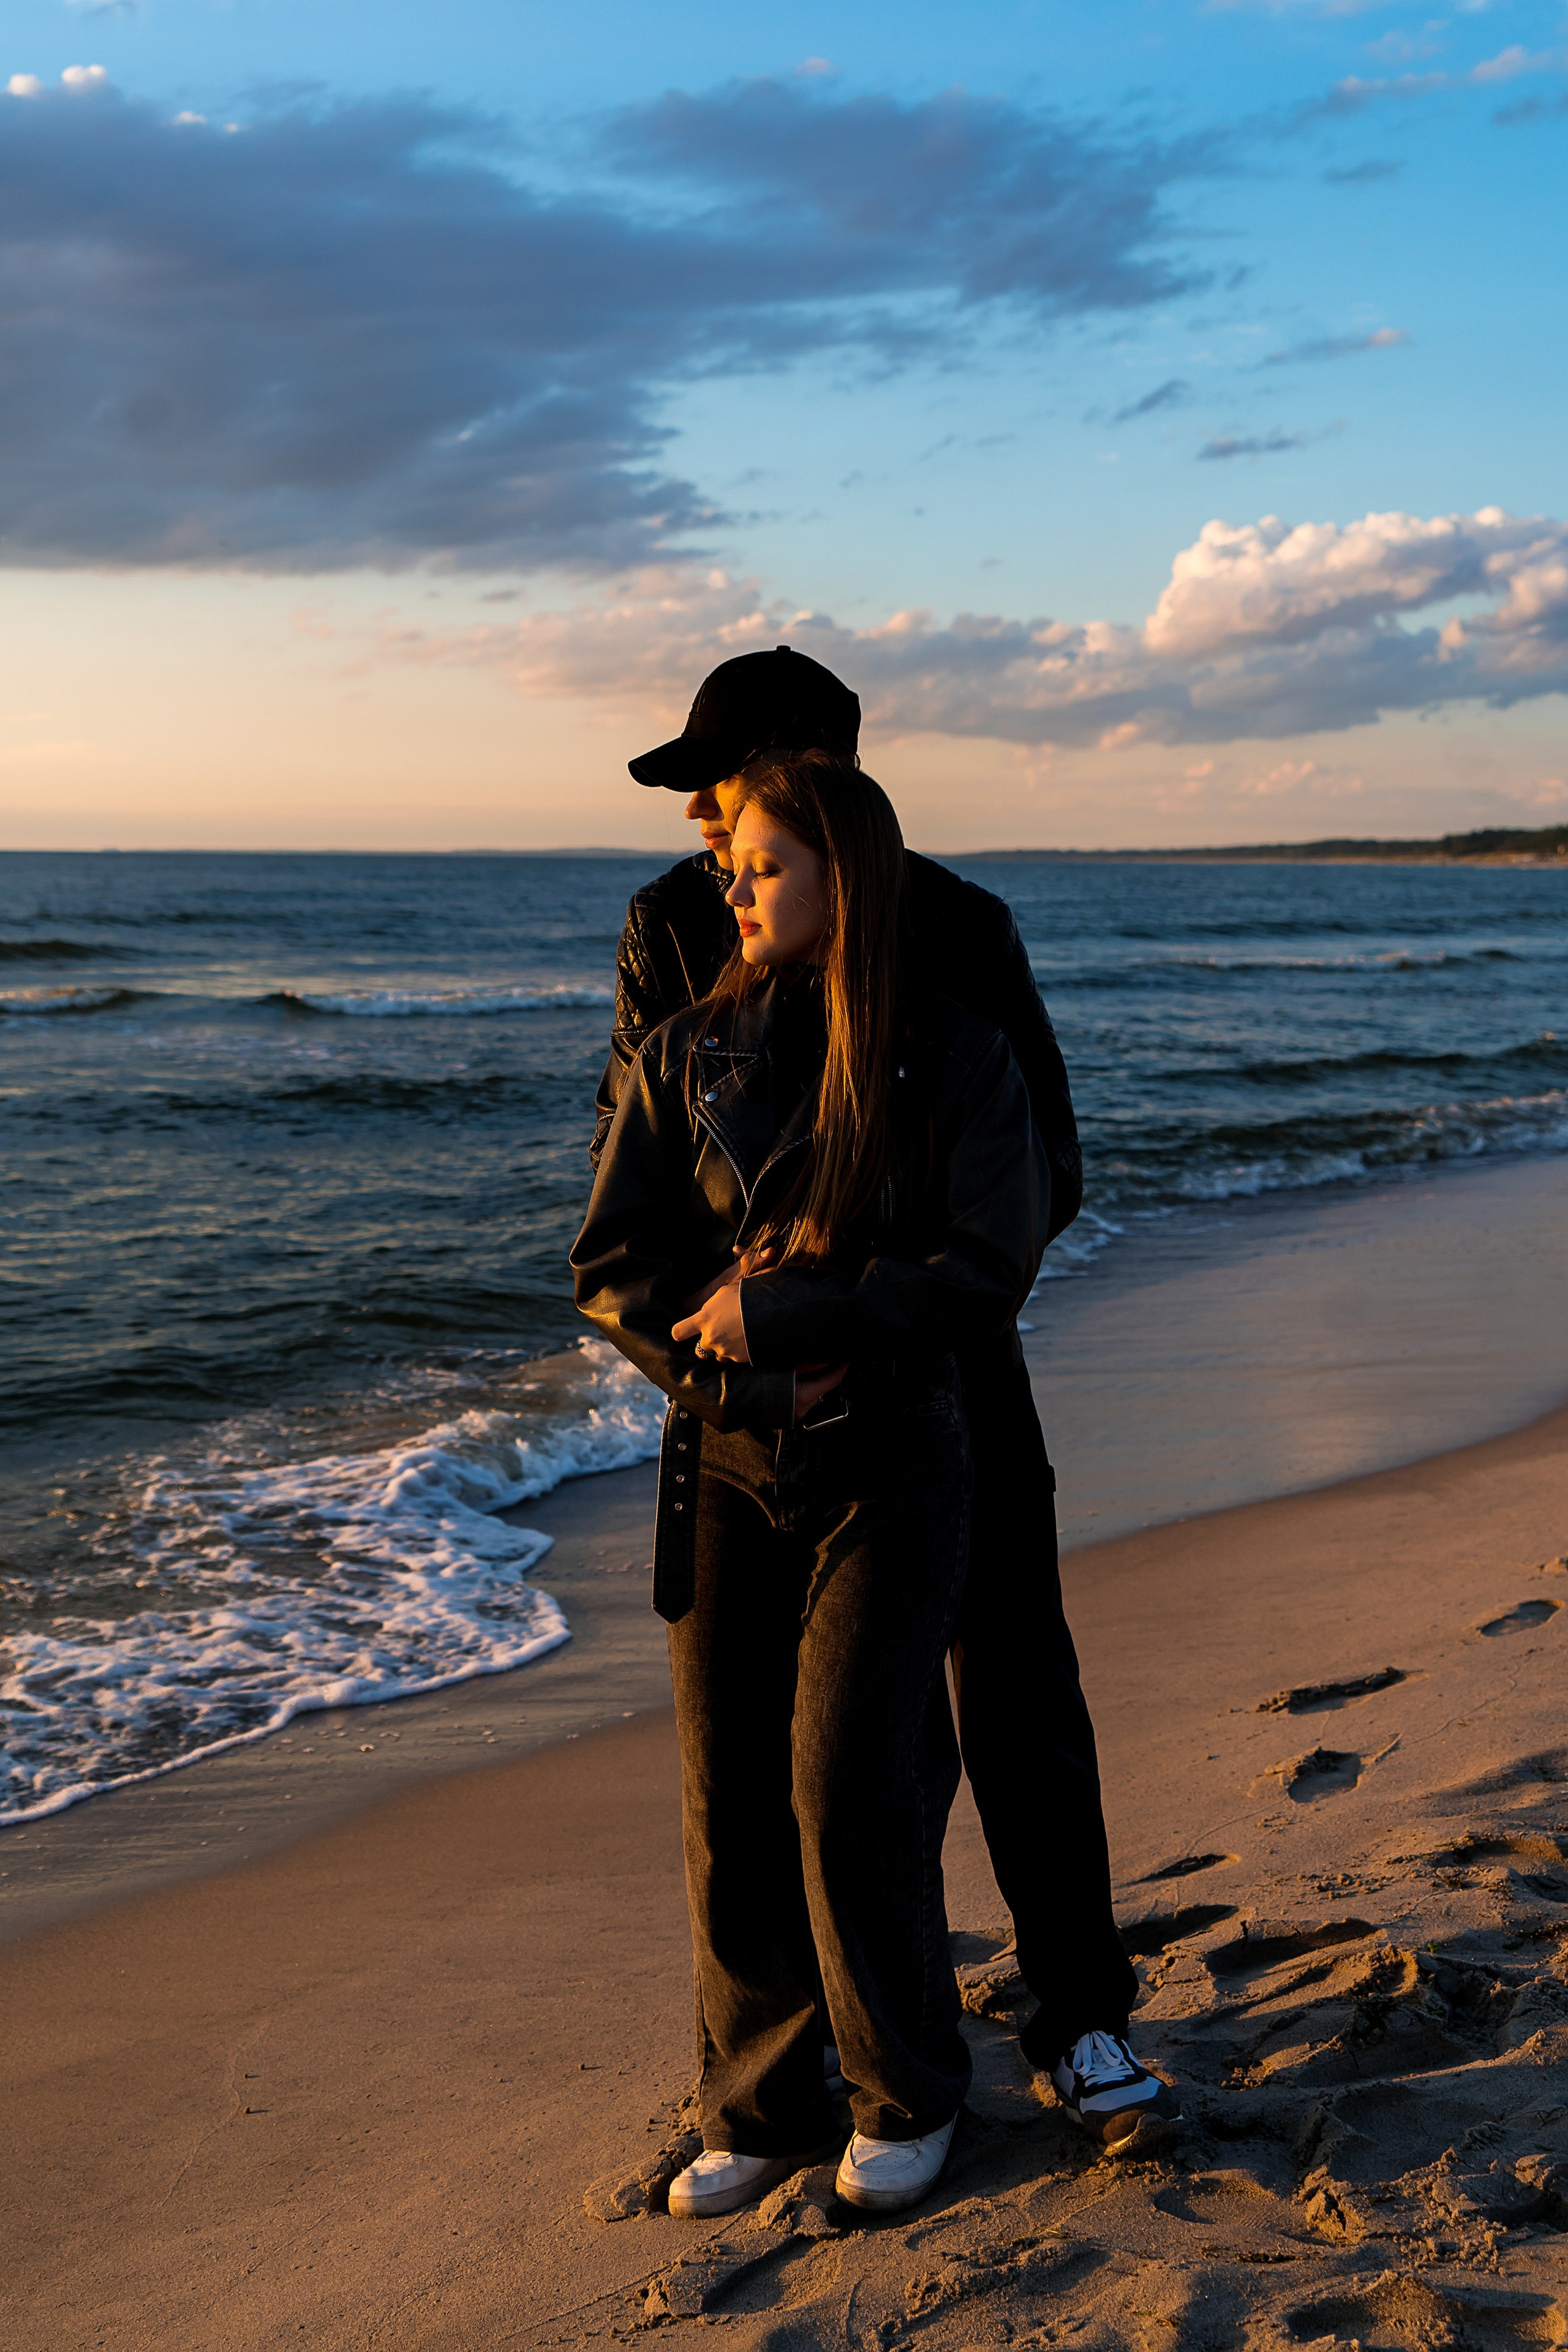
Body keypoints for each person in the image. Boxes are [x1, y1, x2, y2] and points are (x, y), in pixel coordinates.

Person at [592, 647, 1181, 2157]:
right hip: (745, 1416)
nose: (701, 828)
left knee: (1015, 1697)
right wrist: (746, 1353)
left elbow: (1042, 1172)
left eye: (716, 789)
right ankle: (812, 2064)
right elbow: (628, 1174)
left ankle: (1076, 2010)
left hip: (951, 1386)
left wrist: (872, 1313)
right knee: (790, 1757)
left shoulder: (965, 927)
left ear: (811, 772)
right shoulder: (667, 930)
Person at [573, 755, 1049, 2217]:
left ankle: (908, 2089)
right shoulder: (684, 1053)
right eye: (734, 868)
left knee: (849, 1781)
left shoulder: (956, 1057)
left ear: (848, 871)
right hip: (721, 1466)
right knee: (729, 1795)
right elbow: (614, 1272)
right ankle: (764, 2102)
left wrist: (796, 1314)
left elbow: (987, 1268)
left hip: (900, 1462)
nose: (730, 886)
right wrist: (758, 1368)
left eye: (762, 865)